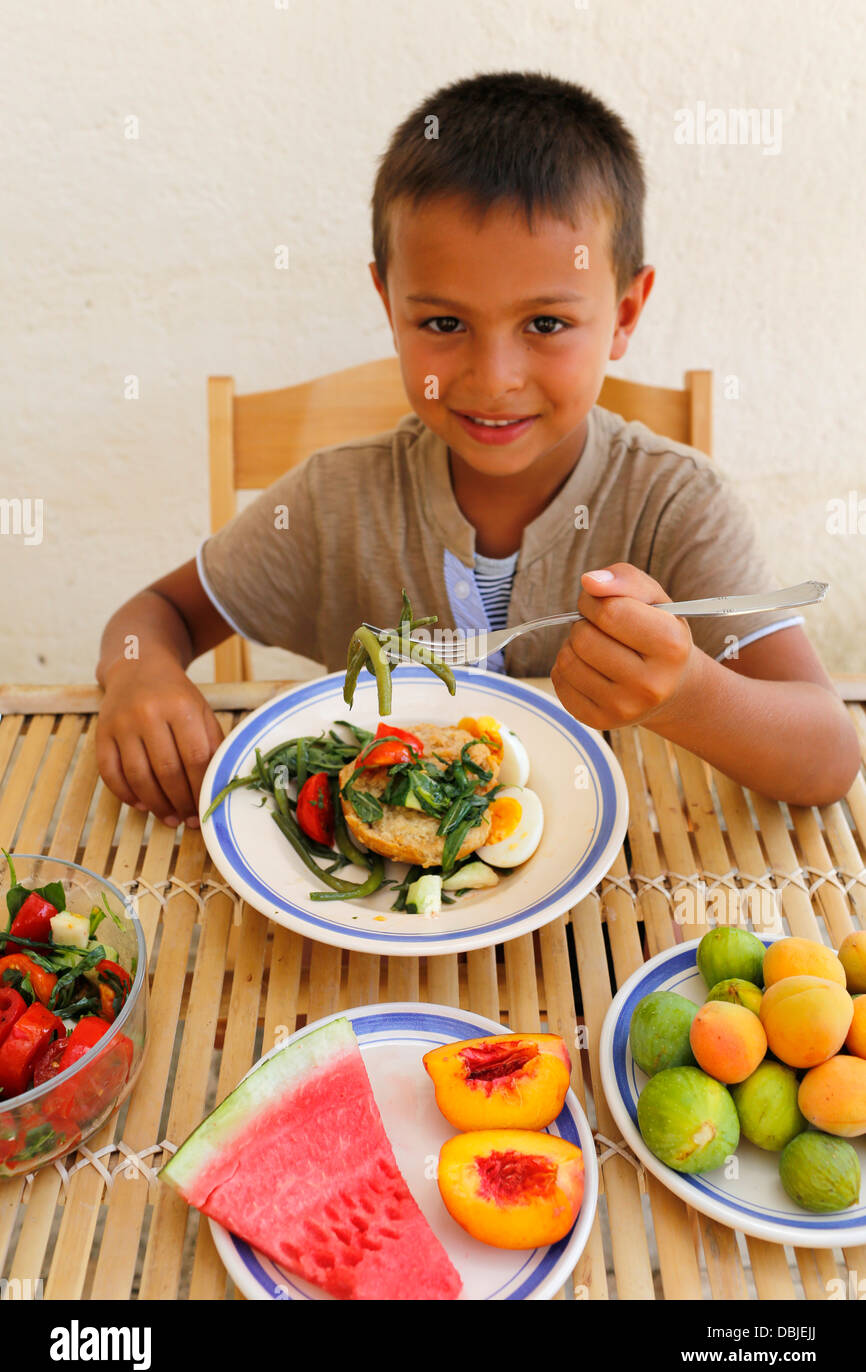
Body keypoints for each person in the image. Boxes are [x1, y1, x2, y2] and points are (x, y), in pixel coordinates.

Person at [94, 71, 859, 829]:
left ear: (624, 312)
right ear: (388, 306)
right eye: (443, 325)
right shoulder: (332, 503)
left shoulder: (676, 505)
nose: (493, 381)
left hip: (612, 910)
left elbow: (829, 757)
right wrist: (139, 673)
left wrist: (688, 691)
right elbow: (155, 613)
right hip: (373, 917)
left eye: (547, 325)